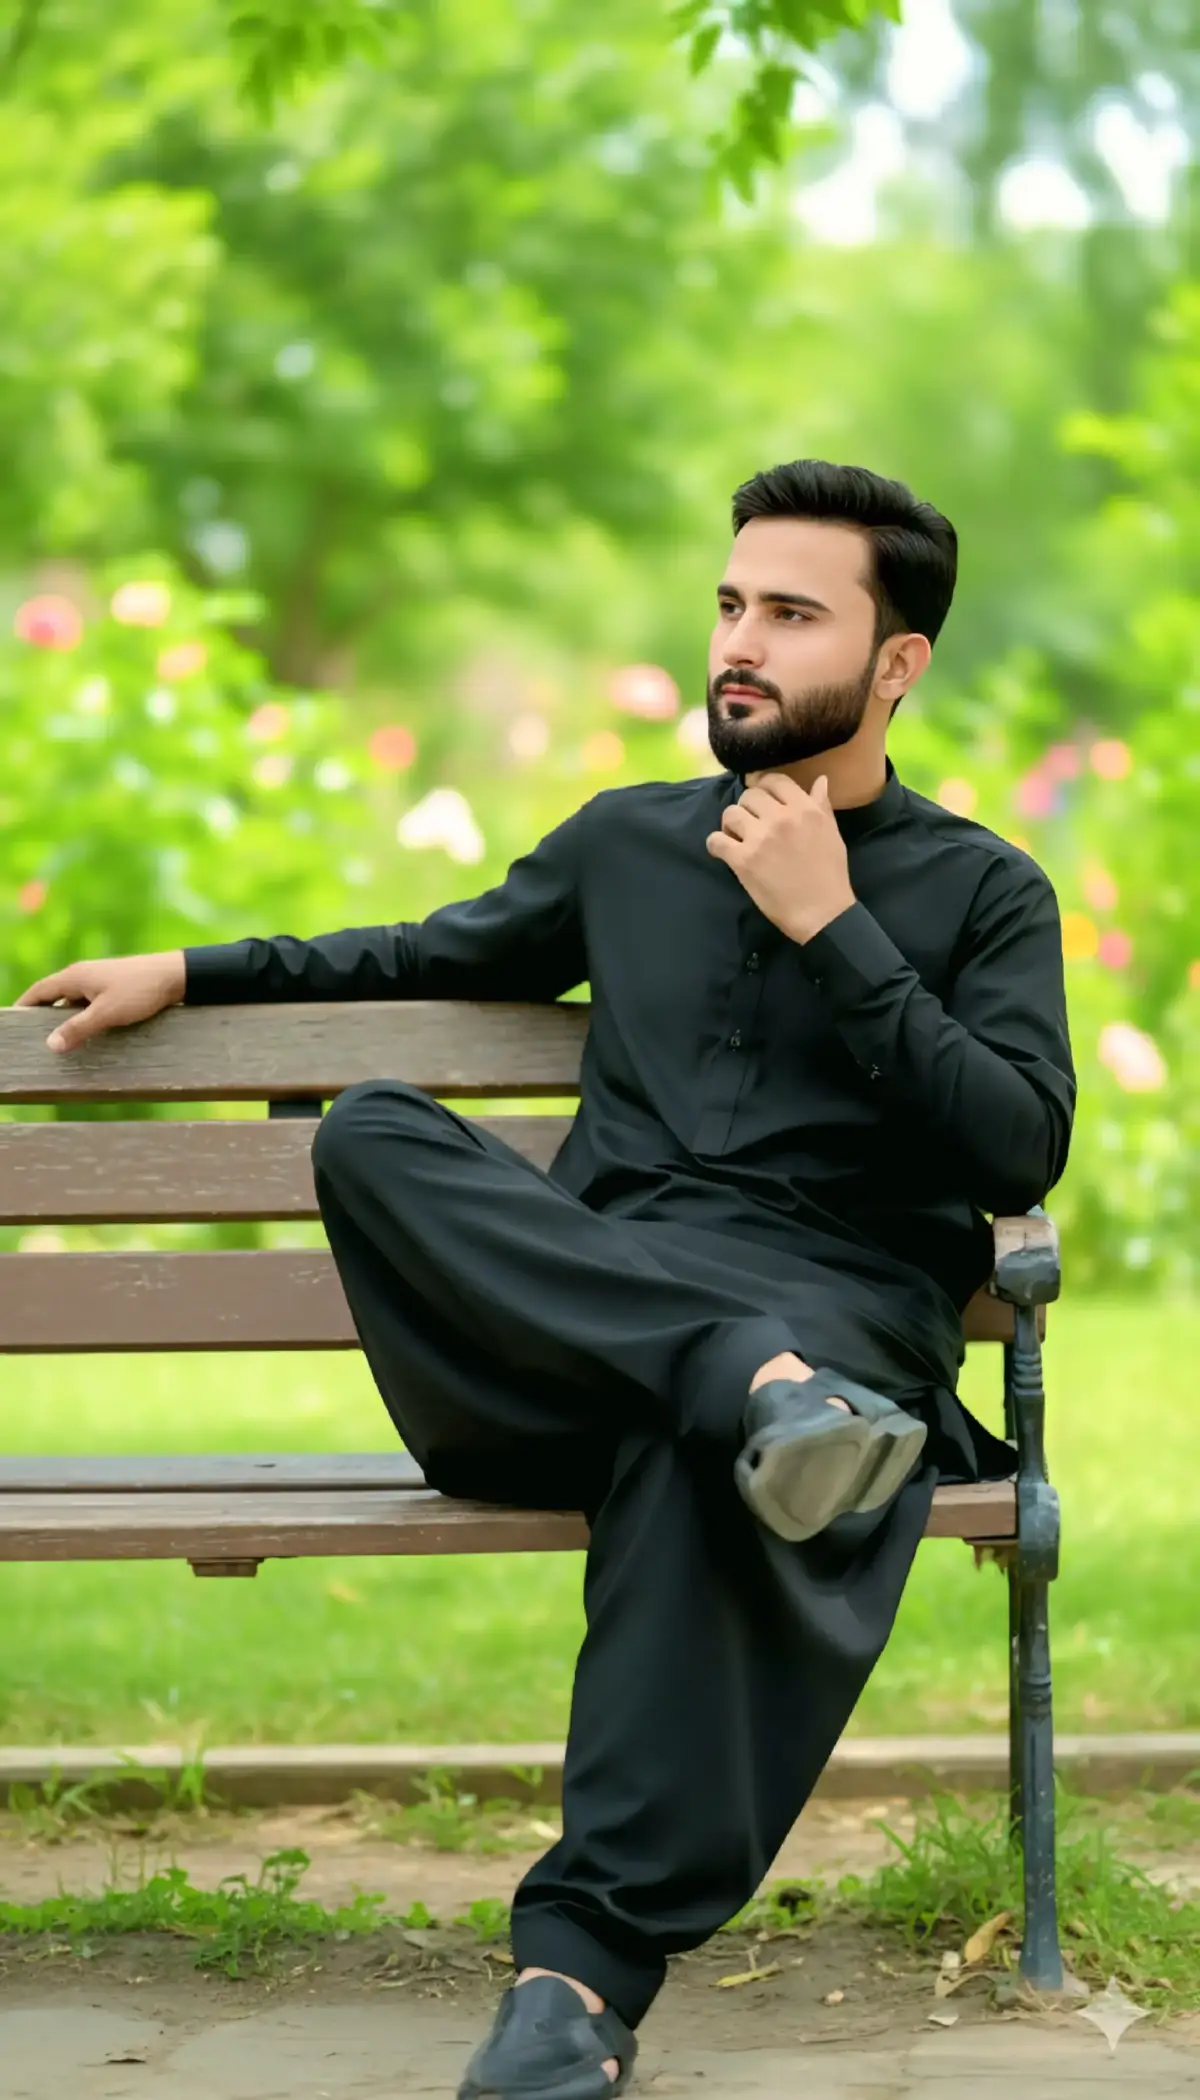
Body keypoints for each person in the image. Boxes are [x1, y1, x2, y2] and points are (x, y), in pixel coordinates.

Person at [17, 460, 1075, 2099]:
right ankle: (742, 1381)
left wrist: (834, 928)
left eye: (792, 614)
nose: (741, 640)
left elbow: (1016, 1144)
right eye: (732, 603)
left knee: (713, 1441)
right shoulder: (626, 846)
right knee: (372, 1129)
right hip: (572, 1341)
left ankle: (571, 1988)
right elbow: (417, 955)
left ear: (896, 663)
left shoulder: (980, 888)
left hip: (829, 1335)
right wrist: (190, 971)